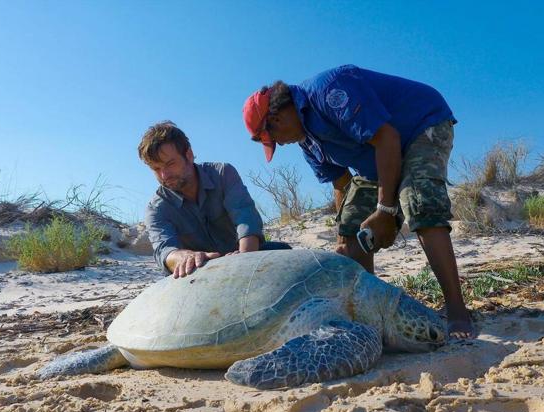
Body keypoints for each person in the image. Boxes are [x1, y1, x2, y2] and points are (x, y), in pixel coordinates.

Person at [242, 65, 475, 339]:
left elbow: (388, 138)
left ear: (276, 118)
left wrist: (385, 211)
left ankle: (457, 311)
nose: (280, 145)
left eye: (273, 139)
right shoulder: (308, 143)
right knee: (352, 227)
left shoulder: (329, 90)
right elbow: (342, 185)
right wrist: (344, 236)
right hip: (377, 160)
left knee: (418, 200)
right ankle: (372, 313)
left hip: (420, 127)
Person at [138, 121, 290, 278]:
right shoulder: (156, 209)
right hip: (200, 271)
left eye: (170, 164)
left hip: (241, 256)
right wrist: (185, 257)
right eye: (156, 169)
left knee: (283, 252)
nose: (164, 175)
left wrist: (244, 262)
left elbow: (247, 222)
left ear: (189, 155)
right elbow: (165, 251)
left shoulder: (223, 174)